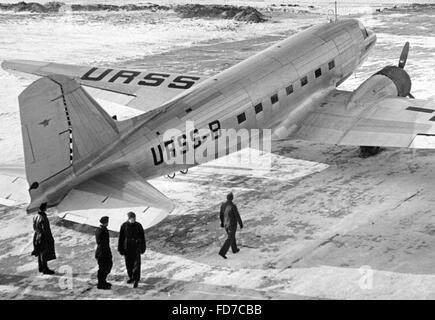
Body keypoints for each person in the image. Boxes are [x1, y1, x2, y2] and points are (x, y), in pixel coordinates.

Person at [118, 212, 146, 288]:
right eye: (132, 218)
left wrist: (143, 247)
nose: (134, 220)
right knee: (129, 264)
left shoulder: (138, 225)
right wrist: (120, 249)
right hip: (127, 247)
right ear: (129, 218)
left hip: (136, 247)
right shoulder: (124, 226)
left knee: (137, 264)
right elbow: (121, 238)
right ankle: (131, 277)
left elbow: (142, 237)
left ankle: (136, 280)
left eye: (134, 218)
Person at [31, 203, 56, 274]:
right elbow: (46, 230)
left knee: (40, 252)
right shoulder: (44, 218)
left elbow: (34, 227)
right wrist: (50, 239)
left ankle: (41, 268)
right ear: (44, 208)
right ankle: (45, 269)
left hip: (37, 236)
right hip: (43, 237)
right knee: (44, 253)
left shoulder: (35, 216)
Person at [218, 192, 243, 259]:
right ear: (232, 198)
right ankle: (222, 252)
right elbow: (237, 215)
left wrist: (222, 223)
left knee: (231, 236)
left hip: (226, 224)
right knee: (230, 238)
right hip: (231, 224)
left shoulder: (223, 205)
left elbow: (221, 215)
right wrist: (240, 223)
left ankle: (234, 249)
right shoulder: (233, 206)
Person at [95, 216, 113, 290]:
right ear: (105, 222)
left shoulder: (103, 229)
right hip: (102, 253)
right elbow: (100, 242)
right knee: (103, 268)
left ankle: (103, 281)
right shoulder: (100, 230)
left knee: (108, 266)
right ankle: (101, 283)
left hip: (105, 251)